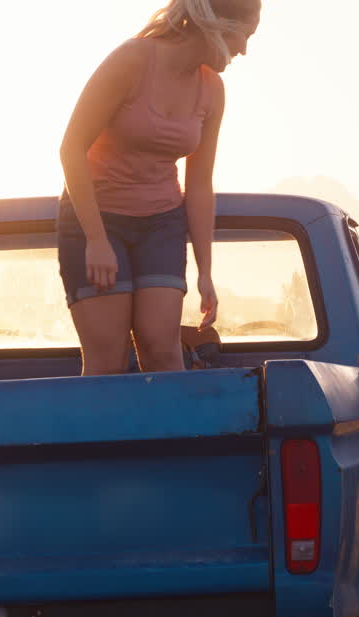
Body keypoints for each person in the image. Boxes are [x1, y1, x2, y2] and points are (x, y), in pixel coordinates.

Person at [58, 0, 259, 376]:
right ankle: (103, 435)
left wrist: (205, 272)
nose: (244, 49)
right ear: (216, 24)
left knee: (162, 348)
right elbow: (71, 149)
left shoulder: (212, 89)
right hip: (97, 219)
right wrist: (96, 240)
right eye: (244, 36)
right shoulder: (132, 60)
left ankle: (173, 435)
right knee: (108, 356)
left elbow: (199, 186)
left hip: (161, 222)